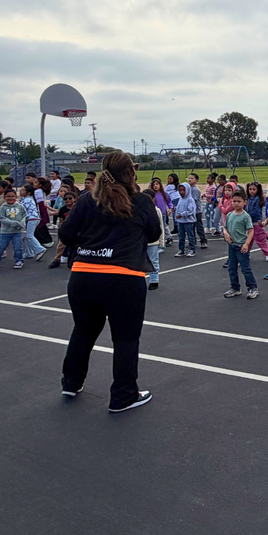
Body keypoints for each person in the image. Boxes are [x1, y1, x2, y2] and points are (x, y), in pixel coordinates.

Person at [58, 151, 160, 412]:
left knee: (83, 330)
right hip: (123, 278)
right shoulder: (141, 202)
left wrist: (92, 245)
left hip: (83, 275)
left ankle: (71, 381)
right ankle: (123, 395)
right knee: (125, 339)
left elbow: (66, 233)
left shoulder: (86, 201)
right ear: (131, 172)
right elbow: (153, 235)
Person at [223, 191, 259, 299]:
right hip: (232, 245)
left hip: (241, 246)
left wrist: (246, 244)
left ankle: (252, 287)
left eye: (239, 201)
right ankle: (235, 287)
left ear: (245, 202)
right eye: (234, 201)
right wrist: (225, 233)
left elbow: (251, 231)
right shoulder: (230, 215)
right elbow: (225, 227)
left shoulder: (245, 216)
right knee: (231, 268)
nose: (236, 203)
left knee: (245, 268)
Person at [0, 188, 27, 268]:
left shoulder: (20, 206)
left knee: (18, 247)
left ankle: (19, 260)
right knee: (1, 247)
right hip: (5, 232)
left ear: (16, 197)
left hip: (17, 231)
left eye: (13, 196)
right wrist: (14, 223)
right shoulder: (3, 207)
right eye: (8, 196)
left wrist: (22, 223)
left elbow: (25, 215)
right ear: (4, 197)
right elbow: (2, 218)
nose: (10, 198)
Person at [142, 188, 165, 290]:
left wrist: (161, 241)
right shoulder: (139, 210)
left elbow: (161, 226)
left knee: (154, 260)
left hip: (153, 241)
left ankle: (154, 279)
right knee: (141, 261)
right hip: (141, 240)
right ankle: (141, 278)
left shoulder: (156, 210)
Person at [18, 185, 45, 260]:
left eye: (23, 190)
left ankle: (40, 249)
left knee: (29, 236)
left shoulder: (27, 200)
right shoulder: (28, 199)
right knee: (28, 236)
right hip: (33, 219)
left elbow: (21, 209)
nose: (20, 191)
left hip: (31, 219)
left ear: (29, 193)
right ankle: (28, 253)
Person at [245, 182, 268, 259]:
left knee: (260, 238)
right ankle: (246, 253)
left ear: (257, 190)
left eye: (254, 189)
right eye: (250, 189)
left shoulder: (258, 199)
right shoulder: (247, 199)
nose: (251, 191)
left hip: (256, 222)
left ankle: (267, 253)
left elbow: (256, 211)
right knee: (249, 239)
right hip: (249, 222)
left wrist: (246, 215)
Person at [173, 182, 197, 257]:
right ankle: (181, 249)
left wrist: (182, 214)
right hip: (181, 221)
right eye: (180, 190)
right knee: (181, 236)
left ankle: (192, 249)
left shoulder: (190, 200)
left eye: (184, 190)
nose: (182, 192)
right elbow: (179, 208)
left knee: (190, 236)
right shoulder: (180, 199)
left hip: (188, 221)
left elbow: (191, 211)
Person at [148, 178, 173, 246]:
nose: (155, 186)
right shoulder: (152, 195)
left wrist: (170, 209)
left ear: (160, 185)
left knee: (164, 226)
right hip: (155, 213)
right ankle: (159, 239)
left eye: (157, 184)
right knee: (157, 226)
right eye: (154, 185)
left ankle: (169, 237)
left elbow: (169, 202)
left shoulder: (164, 194)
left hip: (164, 213)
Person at [187, 173, 209, 249]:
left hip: (196, 211)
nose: (190, 180)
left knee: (198, 226)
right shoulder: (189, 189)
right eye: (189, 178)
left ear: (196, 181)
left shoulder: (195, 189)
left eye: (192, 178)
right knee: (191, 227)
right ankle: (193, 241)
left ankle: (203, 241)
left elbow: (193, 201)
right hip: (191, 211)